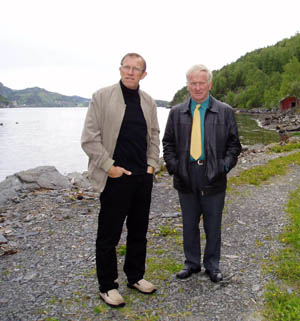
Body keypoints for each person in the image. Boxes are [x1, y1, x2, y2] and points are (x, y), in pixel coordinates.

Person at [81, 53, 160, 307]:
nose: (130, 72)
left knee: (139, 232)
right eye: (127, 67)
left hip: (142, 178)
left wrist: (152, 165)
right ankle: (107, 286)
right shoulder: (101, 97)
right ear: (120, 69)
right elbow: (89, 138)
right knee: (109, 235)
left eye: (136, 69)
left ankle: (135, 277)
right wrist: (109, 167)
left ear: (143, 74)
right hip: (115, 178)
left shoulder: (148, 101)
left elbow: (155, 135)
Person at [162, 64, 241, 283]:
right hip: (185, 175)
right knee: (189, 223)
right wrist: (175, 167)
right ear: (187, 85)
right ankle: (192, 263)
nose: (197, 87)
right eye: (193, 83)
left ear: (209, 84)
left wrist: (223, 167)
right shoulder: (177, 112)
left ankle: (212, 266)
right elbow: (167, 143)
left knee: (213, 224)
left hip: (213, 175)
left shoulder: (224, 111)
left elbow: (234, 145)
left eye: (201, 83)